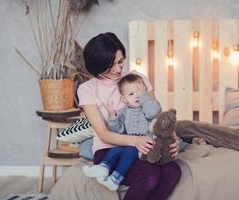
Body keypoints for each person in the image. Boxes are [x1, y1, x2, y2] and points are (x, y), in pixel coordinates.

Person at [77, 32, 181, 200]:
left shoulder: (136, 79)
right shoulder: (87, 89)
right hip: (111, 151)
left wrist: (173, 138)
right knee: (150, 176)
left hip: (146, 146)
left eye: (120, 61)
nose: (119, 69)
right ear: (97, 66)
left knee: (173, 172)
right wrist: (136, 141)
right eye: (111, 65)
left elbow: (157, 115)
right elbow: (103, 133)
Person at [82, 73, 162, 191]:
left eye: (140, 93)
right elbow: (118, 130)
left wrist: (145, 97)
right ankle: (104, 167)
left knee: (129, 151)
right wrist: (113, 117)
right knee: (116, 150)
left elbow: (153, 112)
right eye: (131, 94)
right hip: (132, 145)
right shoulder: (125, 112)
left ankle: (115, 178)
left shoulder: (147, 108)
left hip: (146, 147)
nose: (137, 96)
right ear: (124, 99)